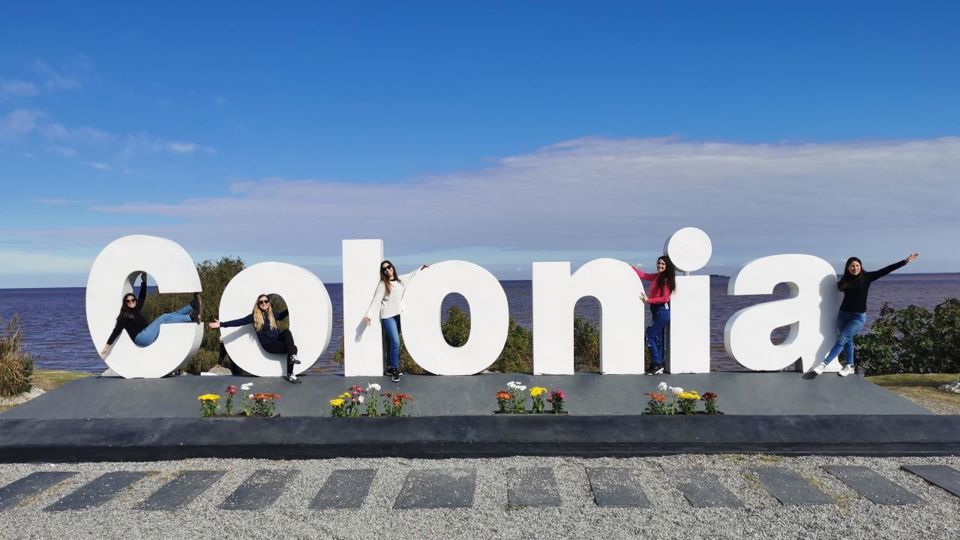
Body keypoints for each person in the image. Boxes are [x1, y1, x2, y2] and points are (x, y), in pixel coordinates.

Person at [812, 253, 919, 377]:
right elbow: (828, 288)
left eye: (857, 265)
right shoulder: (844, 281)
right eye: (852, 266)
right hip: (843, 315)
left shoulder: (867, 277)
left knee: (842, 339)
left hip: (858, 317)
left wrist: (905, 261)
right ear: (848, 268)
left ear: (861, 266)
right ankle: (850, 365)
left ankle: (824, 364)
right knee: (848, 341)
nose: (855, 268)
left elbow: (886, 270)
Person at [100, 272, 202, 361]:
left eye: (133, 300)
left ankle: (192, 305)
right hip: (141, 338)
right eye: (128, 301)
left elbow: (142, 296)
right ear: (125, 303)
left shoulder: (136, 308)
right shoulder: (124, 316)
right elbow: (116, 331)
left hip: (146, 333)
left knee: (171, 315)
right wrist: (106, 347)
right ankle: (191, 318)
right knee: (164, 317)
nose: (131, 302)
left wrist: (144, 281)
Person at [208, 294, 302, 384]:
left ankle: (291, 368)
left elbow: (281, 316)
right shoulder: (254, 316)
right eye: (261, 302)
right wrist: (222, 324)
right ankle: (291, 369)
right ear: (258, 304)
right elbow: (239, 322)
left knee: (288, 337)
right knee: (293, 349)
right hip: (269, 344)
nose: (264, 303)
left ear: (269, 303)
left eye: (266, 301)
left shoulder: (273, 314)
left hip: (278, 340)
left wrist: (292, 308)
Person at [362, 260, 427, 382]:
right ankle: (395, 370)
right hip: (388, 317)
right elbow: (376, 301)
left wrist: (422, 268)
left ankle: (390, 367)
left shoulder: (400, 280)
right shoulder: (383, 284)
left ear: (392, 267)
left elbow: (412, 275)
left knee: (393, 343)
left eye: (388, 267)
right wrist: (369, 315)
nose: (387, 270)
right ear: (383, 272)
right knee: (396, 342)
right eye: (384, 269)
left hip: (399, 316)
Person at [634, 256, 676, 375]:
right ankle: (659, 365)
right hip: (657, 311)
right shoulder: (658, 276)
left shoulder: (666, 280)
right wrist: (631, 268)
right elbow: (645, 276)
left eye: (663, 264)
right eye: (659, 263)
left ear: (667, 266)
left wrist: (649, 300)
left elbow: (665, 298)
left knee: (649, 335)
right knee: (658, 339)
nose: (660, 266)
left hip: (662, 312)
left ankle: (657, 363)